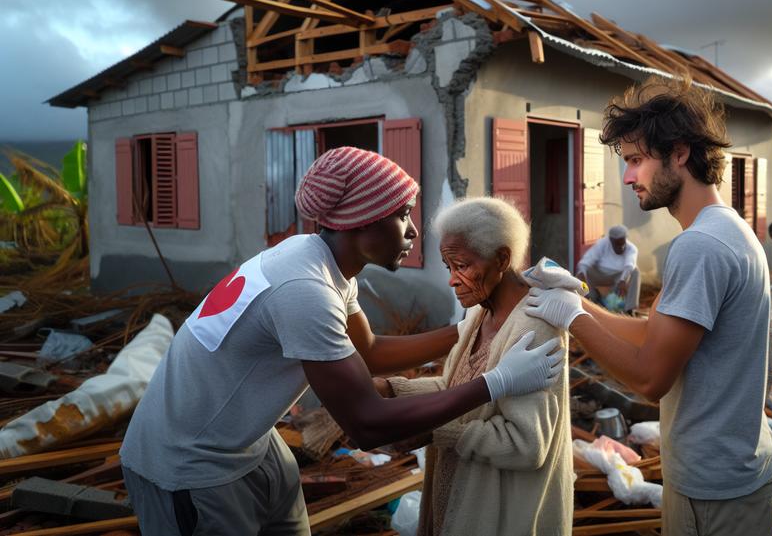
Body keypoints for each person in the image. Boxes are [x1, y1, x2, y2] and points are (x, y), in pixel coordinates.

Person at [119, 148, 563, 535]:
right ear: (360, 223)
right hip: (191, 463)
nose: (411, 231)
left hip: (249, 440)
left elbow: (369, 353)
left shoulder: (319, 261)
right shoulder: (304, 291)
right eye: (402, 214)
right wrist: (495, 383)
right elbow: (366, 424)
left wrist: (467, 330)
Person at [525, 77, 772, 536]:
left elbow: (650, 378)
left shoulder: (699, 246)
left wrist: (573, 318)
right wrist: (575, 299)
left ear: (680, 153)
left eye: (636, 161)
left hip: (716, 486)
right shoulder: (725, 230)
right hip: (735, 468)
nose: (626, 177)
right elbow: (650, 334)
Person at [373, 197, 572, 535]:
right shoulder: (480, 313)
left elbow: (526, 445)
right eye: (448, 267)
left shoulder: (536, 326)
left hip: (503, 512)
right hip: (461, 492)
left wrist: (437, 432)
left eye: (461, 265)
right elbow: (456, 388)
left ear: (502, 259)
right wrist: (393, 389)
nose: (452, 279)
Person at [576, 224, 640, 314]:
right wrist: (582, 273)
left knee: (635, 271)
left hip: (618, 278)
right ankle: (592, 300)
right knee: (581, 273)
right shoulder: (602, 244)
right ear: (611, 240)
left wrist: (623, 280)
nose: (621, 247)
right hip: (599, 275)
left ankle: (629, 309)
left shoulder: (631, 248)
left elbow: (630, 265)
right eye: (617, 244)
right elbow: (585, 262)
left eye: (622, 243)